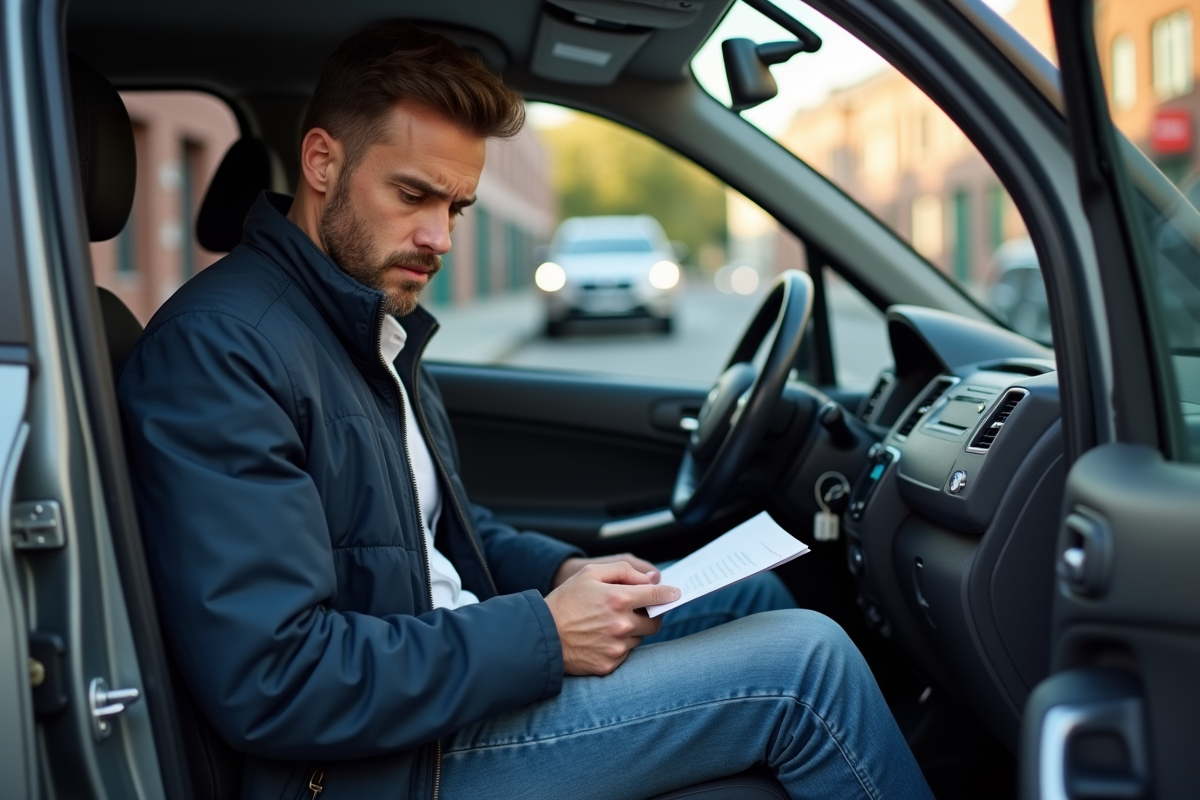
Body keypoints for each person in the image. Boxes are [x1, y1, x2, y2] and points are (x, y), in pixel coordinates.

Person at [118, 21, 933, 800]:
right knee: (806, 668)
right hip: (370, 768)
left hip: (438, 696)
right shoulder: (221, 348)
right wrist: (546, 635)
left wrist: (562, 575)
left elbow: (442, 536)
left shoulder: (365, 322)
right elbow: (276, 678)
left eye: (458, 208)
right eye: (413, 194)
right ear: (323, 162)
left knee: (752, 601)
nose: (439, 237)